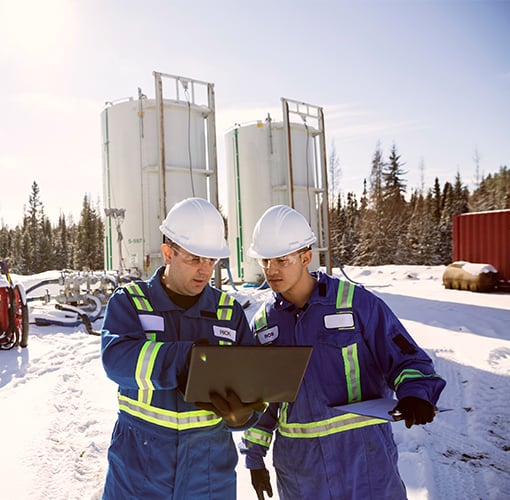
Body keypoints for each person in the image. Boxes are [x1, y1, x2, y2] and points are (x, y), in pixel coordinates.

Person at [240, 205, 447, 500]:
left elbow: (407, 358)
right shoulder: (264, 325)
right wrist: (254, 457)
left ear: (305, 258)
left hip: (364, 462)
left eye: (282, 260)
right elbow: (262, 402)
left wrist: (416, 393)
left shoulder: (356, 304)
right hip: (301, 471)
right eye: (265, 261)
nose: (271, 270)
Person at [101, 197, 263, 499]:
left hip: (209, 477)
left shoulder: (228, 312)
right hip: (139, 473)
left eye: (211, 260)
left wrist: (242, 417)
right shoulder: (131, 302)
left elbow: (251, 387)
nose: (204, 270)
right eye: (194, 259)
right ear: (168, 253)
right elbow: (116, 360)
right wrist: (185, 360)